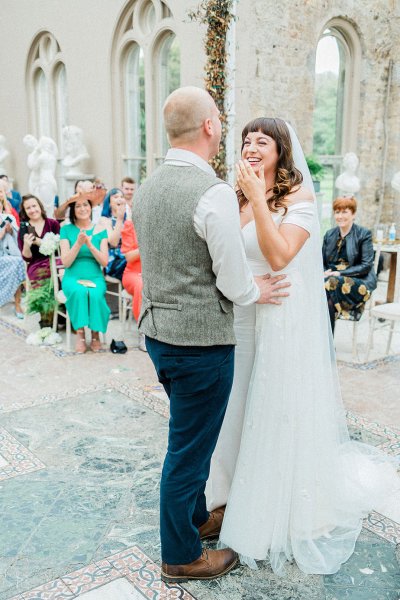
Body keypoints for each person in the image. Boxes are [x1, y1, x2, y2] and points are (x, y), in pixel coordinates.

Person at [206, 118, 400, 576]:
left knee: (273, 410)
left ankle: (271, 503)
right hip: (238, 318)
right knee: (235, 412)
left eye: (262, 141)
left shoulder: (300, 201)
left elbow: (278, 256)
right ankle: (226, 496)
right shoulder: (232, 197)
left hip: (279, 322)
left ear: (281, 152)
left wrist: (257, 197)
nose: (251, 147)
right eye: (246, 140)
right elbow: (222, 254)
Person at [132, 87, 290, 583]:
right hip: (201, 344)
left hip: (160, 336)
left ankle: (197, 519)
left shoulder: (147, 187)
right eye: (220, 119)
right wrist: (257, 290)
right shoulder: (212, 192)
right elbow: (230, 276)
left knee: (190, 439)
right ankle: (181, 554)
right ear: (210, 127)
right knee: (188, 451)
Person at [59, 193, 110, 353]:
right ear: (73, 210)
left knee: (95, 294)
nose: (82, 209)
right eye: (78, 206)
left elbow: (104, 262)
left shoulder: (100, 230)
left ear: (91, 207)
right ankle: (80, 334)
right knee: (80, 292)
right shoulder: (66, 230)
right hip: (73, 276)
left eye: (85, 205)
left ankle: (95, 334)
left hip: (94, 275)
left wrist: (89, 244)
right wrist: (78, 244)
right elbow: (66, 262)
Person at [323, 197, 377, 334]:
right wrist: (324, 272)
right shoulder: (329, 235)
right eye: (337, 212)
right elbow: (322, 263)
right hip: (330, 283)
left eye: (344, 212)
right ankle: (327, 347)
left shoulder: (364, 234)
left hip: (359, 283)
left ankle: (326, 347)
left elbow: (366, 266)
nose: (340, 216)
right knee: (325, 297)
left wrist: (340, 273)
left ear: (353, 214)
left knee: (329, 284)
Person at [18, 194, 60, 284]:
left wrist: (39, 242)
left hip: (55, 262)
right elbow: (27, 259)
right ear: (24, 211)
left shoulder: (53, 224)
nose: (32, 210)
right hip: (36, 266)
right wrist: (26, 245)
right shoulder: (24, 228)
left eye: (34, 206)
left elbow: (60, 248)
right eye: (28, 208)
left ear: (40, 206)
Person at [120, 212, 144, 350]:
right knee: (141, 285)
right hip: (133, 273)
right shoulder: (130, 225)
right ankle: (144, 332)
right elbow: (129, 256)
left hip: (154, 272)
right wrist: (147, 246)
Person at [0, 188, 24, 316]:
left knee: (18, 263)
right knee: (17, 263)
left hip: (9, 252)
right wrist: (2, 232)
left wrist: (10, 230)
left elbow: (17, 234)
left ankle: (17, 303)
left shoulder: (6, 216)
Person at [98, 187, 127, 280]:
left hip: (128, 256)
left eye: (122, 197)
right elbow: (113, 242)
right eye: (115, 196)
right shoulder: (104, 220)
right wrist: (119, 219)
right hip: (114, 261)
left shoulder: (128, 219)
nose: (120, 199)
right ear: (109, 202)